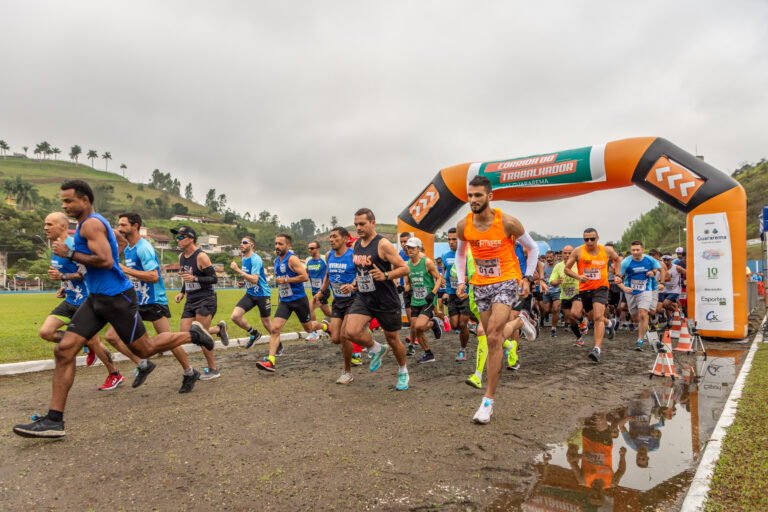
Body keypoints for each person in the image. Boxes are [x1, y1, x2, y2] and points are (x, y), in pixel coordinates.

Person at [13, 180, 215, 438]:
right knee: (64, 350)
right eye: (62, 201)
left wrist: (69, 254)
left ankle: (195, 335)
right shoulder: (86, 226)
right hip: (96, 299)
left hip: (117, 298)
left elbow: (106, 261)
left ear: (85, 200)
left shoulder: (92, 224)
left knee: (146, 349)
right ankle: (54, 420)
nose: (64, 205)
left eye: (68, 201)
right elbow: (100, 261)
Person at [454, 175, 539, 424]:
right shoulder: (463, 225)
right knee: (494, 337)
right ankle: (520, 322)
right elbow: (460, 255)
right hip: (481, 285)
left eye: (478, 195)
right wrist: (461, 280)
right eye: (470, 195)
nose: (473, 200)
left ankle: (487, 401)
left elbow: (533, 248)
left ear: (490, 197)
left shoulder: (508, 222)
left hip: (506, 281)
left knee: (491, 335)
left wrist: (528, 278)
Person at [38, 212, 126, 391]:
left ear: (63, 226)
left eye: (49, 224)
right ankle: (83, 342)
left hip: (86, 301)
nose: (45, 228)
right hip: (70, 299)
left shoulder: (73, 246)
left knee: (95, 341)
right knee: (46, 332)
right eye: (45, 224)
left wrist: (62, 276)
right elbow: (71, 274)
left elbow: (86, 271)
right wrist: (64, 284)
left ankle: (115, 374)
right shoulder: (55, 248)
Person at [113, 213, 200, 393]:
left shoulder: (143, 248)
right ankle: (143, 364)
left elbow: (153, 276)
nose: (119, 228)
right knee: (112, 336)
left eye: (123, 225)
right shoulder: (128, 248)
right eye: (118, 225)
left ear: (135, 226)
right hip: (135, 300)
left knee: (170, 341)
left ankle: (189, 372)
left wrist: (125, 269)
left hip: (153, 300)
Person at [343, 208, 410, 390]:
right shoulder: (357, 245)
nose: (358, 227)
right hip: (364, 298)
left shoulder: (383, 244)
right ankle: (376, 349)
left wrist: (386, 275)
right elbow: (361, 270)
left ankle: (403, 370)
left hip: (385, 300)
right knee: (350, 332)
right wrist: (354, 284)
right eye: (356, 224)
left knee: (393, 340)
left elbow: (404, 269)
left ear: (372, 223)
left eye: (362, 224)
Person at [256, 234, 328, 372]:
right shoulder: (276, 260)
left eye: (280, 244)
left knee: (308, 328)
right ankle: (271, 361)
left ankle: (325, 327)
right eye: (276, 243)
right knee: (275, 329)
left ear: (288, 246)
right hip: (285, 302)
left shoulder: (292, 259)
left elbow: (304, 276)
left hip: (298, 300)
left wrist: (286, 280)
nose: (277, 246)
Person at [173, 225, 228, 381]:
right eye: (177, 237)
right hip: (190, 300)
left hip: (205, 299)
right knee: (184, 334)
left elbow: (214, 279)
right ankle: (218, 329)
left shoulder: (201, 256)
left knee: (201, 334)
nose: (177, 240)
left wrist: (196, 279)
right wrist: (182, 292)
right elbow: (186, 277)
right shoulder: (181, 257)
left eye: (180, 237)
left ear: (191, 239)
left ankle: (213, 369)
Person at [564, 228, 621, 363]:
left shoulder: (606, 250)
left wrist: (618, 275)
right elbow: (566, 269)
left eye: (592, 239)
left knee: (597, 317)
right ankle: (609, 323)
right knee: (594, 317)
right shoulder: (578, 251)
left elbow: (618, 259)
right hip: (585, 289)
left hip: (601, 288)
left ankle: (597, 349)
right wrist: (578, 276)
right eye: (586, 239)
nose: (589, 242)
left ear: (597, 238)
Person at [317, 226, 358, 384]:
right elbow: (328, 275)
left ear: (345, 239)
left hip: (353, 300)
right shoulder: (329, 255)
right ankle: (367, 344)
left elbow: (361, 273)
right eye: (330, 237)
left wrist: (352, 285)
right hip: (337, 301)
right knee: (335, 339)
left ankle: (347, 371)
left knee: (345, 335)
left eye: (335, 237)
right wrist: (321, 291)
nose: (331, 240)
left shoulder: (353, 255)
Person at [617, 241, 664, 351]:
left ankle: (640, 341)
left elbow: (657, 268)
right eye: (633, 250)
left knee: (643, 314)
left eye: (638, 250)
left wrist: (653, 273)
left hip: (646, 290)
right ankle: (643, 328)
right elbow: (618, 278)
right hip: (631, 291)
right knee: (635, 317)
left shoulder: (649, 259)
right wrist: (624, 288)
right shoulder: (626, 262)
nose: (635, 252)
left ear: (642, 250)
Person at [404, 236, 443, 363]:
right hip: (415, 299)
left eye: (412, 248)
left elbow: (438, 278)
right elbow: (408, 283)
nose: (409, 250)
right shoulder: (407, 264)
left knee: (420, 326)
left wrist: (433, 293)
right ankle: (428, 353)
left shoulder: (427, 262)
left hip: (428, 299)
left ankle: (433, 323)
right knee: (415, 328)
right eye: (407, 248)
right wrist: (404, 288)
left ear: (419, 248)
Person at [229, 236, 273, 349]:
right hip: (250, 293)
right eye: (241, 242)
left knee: (266, 323)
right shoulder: (244, 259)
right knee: (235, 316)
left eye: (244, 242)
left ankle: (278, 345)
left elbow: (255, 279)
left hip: (262, 294)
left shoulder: (256, 259)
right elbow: (249, 277)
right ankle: (254, 333)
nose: (241, 244)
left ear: (252, 245)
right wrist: (243, 283)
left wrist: (237, 270)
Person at [442, 227, 471, 361]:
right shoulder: (445, 256)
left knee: (463, 323)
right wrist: (446, 290)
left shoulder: (467, 253)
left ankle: (462, 350)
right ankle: (474, 323)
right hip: (453, 294)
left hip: (466, 293)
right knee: (455, 325)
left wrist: (466, 279)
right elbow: (446, 273)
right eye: (449, 239)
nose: (451, 242)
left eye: (454, 239)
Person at [549, 245, 586, 346]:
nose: (567, 255)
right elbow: (552, 281)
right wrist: (557, 282)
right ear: (561, 254)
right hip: (564, 295)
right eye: (565, 253)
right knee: (571, 320)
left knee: (575, 313)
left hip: (577, 292)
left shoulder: (578, 264)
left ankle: (583, 320)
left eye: (569, 253)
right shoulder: (558, 266)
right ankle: (579, 338)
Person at [306, 241, 332, 341]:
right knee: (328, 312)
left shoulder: (323, 259)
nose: (310, 250)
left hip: (323, 290)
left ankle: (314, 332)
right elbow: (306, 274)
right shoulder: (308, 260)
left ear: (318, 249)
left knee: (309, 308)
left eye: (312, 248)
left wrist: (322, 289)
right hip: (314, 290)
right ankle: (338, 320)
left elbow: (328, 274)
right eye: (309, 248)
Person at [540, 250, 561, 337]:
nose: (549, 259)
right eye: (547, 257)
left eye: (550, 257)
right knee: (547, 310)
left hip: (557, 290)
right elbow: (541, 278)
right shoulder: (543, 266)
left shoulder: (558, 266)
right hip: (547, 290)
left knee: (555, 309)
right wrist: (542, 285)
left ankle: (553, 329)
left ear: (554, 257)